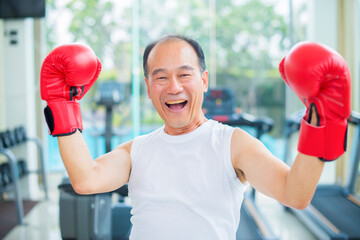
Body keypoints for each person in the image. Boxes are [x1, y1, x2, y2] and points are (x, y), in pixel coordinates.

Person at [40, 35, 351, 240]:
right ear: (149, 89)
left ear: (203, 81)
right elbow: (86, 180)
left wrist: (325, 117)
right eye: (160, 77)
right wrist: (61, 103)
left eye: (184, 74)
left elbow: (294, 194)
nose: (173, 87)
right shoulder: (138, 149)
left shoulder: (232, 143)